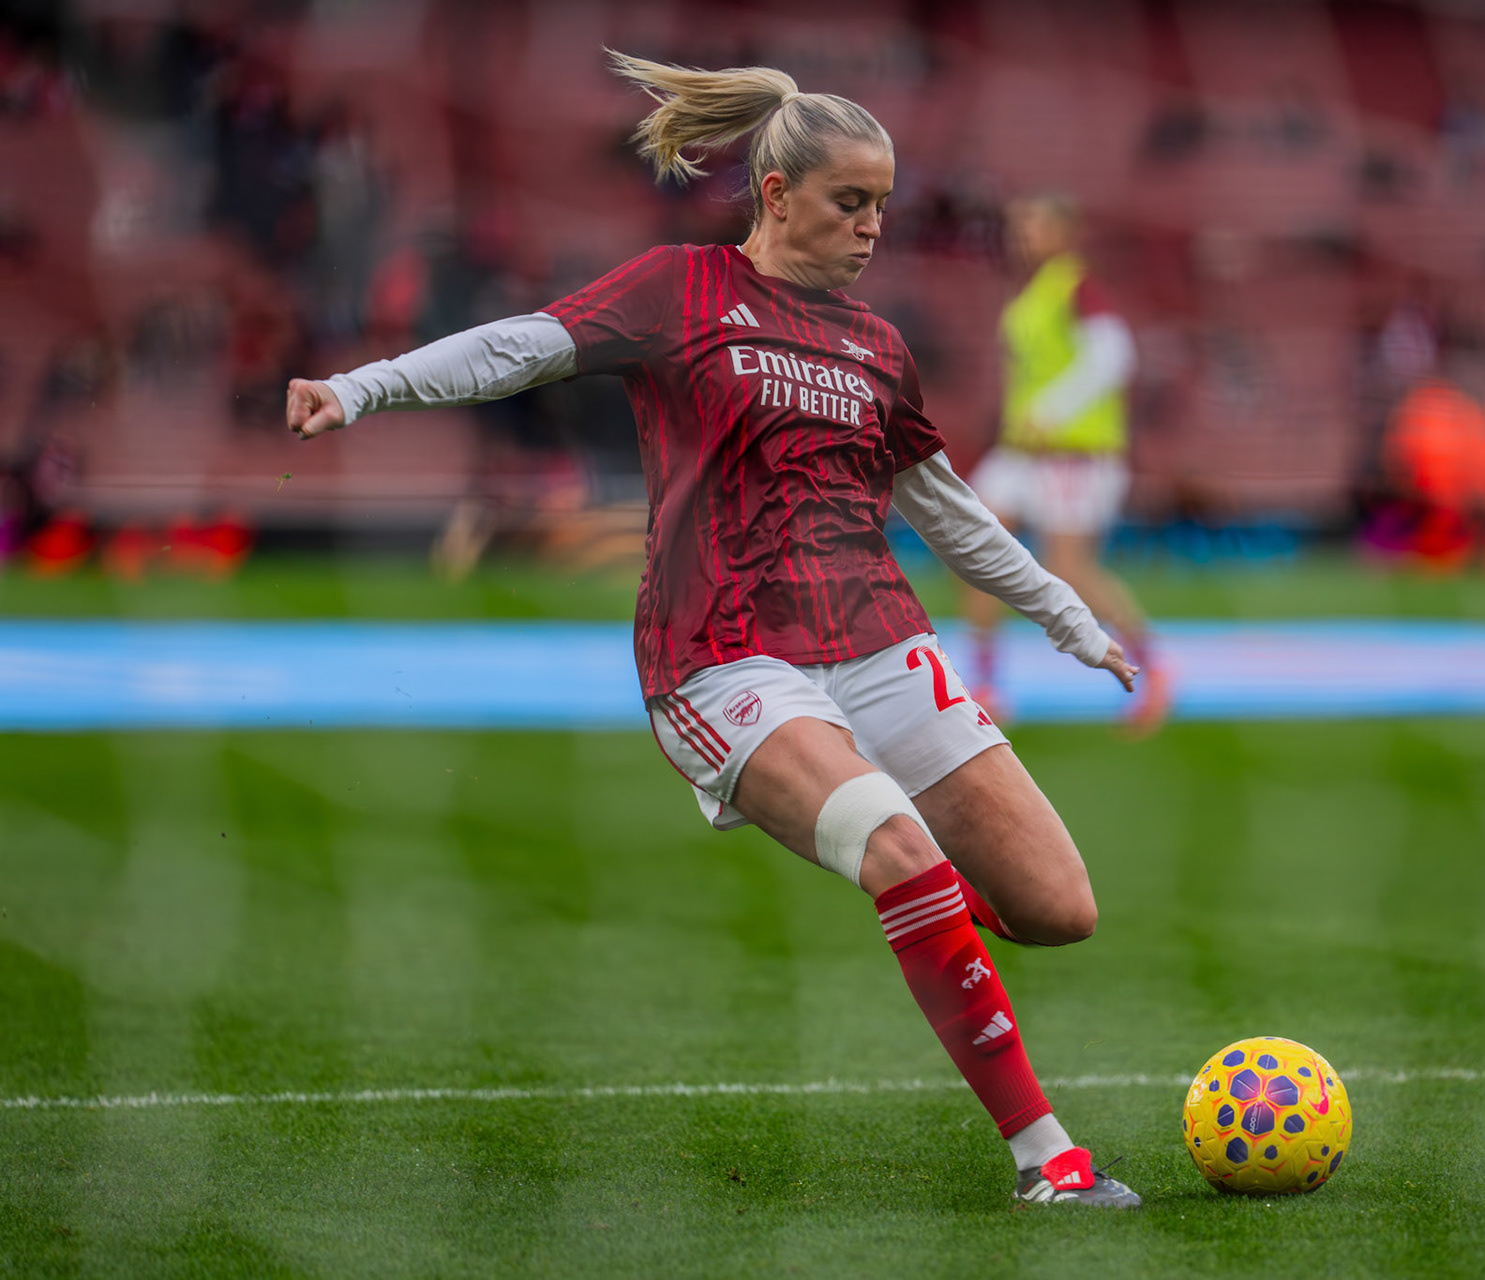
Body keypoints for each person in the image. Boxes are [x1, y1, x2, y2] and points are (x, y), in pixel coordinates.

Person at [285, 57, 1142, 1208]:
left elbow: (952, 513)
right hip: (724, 649)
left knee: (1058, 908)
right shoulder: (676, 291)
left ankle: (933, 908)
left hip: (880, 641)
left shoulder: (877, 347)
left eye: (883, 203)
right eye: (851, 201)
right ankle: (1050, 1158)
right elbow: (515, 346)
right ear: (775, 193)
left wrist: (1069, 620)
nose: (874, 226)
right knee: (897, 845)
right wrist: (361, 386)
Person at [959, 194, 1168, 731]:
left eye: (1033, 224)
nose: (1021, 236)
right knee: (974, 546)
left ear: (1064, 232)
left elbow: (1114, 356)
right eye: (1018, 225)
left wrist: (1053, 410)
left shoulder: (1076, 287)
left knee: (1069, 571)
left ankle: (1155, 666)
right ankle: (984, 683)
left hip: (1073, 455)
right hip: (1024, 454)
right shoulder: (1039, 292)